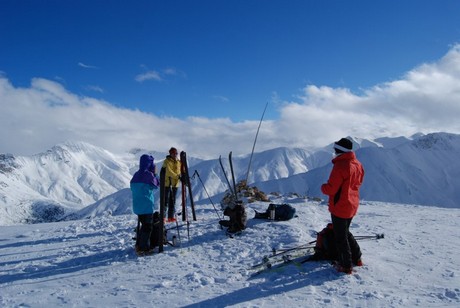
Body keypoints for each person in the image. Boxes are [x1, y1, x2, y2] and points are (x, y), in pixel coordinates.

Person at [321, 137, 365, 274]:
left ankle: (346, 265)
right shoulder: (357, 164)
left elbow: (332, 188)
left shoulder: (340, 166)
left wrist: (323, 188)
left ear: (340, 150)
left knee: (341, 237)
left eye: (335, 149)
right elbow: (358, 183)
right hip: (352, 204)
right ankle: (357, 258)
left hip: (340, 206)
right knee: (345, 232)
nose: (334, 151)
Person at [130, 154, 159, 254]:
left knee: (143, 225)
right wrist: (155, 174)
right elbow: (156, 184)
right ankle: (144, 248)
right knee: (147, 227)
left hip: (137, 206)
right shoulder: (149, 175)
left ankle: (138, 245)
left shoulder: (136, 175)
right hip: (146, 206)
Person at [161, 147, 181, 222]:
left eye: (176, 153)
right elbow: (168, 172)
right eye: (173, 153)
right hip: (167, 183)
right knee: (165, 201)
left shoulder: (178, 162)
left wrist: (181, 176)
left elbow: (179, 171)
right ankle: (163, 217)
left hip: (175, 184)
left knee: (172, 201)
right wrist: (178, 177)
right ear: (170, 153)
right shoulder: (167, 161)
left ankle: (170, 217)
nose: (175, 154)